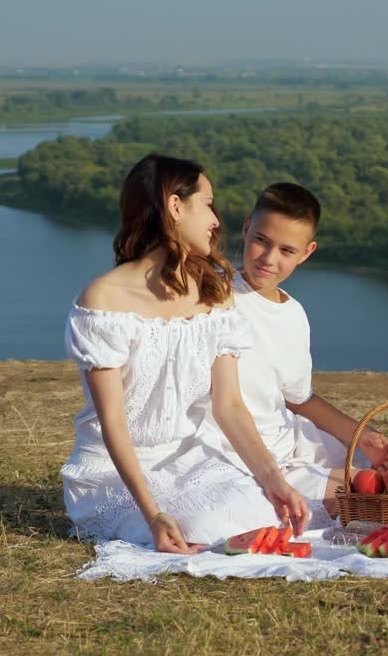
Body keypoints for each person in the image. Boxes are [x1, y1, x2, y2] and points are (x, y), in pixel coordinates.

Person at [59, 154, 308, 554]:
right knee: (206, 527)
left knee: (262, 515)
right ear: (176, 207)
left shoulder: (214, 292)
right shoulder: (103, 299)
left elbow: (229, 406)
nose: (216, 220)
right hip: (113, 474)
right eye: (208, 204)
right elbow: (114, 425)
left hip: (187, 461)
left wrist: (274, 480)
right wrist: (152, 514)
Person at [197, 182, 388, 521]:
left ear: (307, 253)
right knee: (369, 499)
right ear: (247, 227)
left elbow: (300, 399)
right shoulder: (213, 293)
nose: (269, 258)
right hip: (236, 451)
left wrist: (362, 437)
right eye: (261, 240)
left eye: (286, 250)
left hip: (288, 440)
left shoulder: (293, 315)